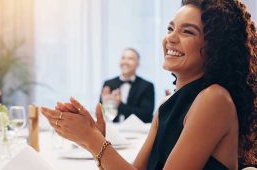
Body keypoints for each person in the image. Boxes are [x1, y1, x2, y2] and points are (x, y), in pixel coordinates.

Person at [42, 0, 257, 169]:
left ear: (215, 48)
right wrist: (91, 138)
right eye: (170, 28)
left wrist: (93, 140)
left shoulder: (214, 99)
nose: (170, 38)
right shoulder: (166, 105)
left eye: (187, 31)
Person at [100, 48, 155, 123]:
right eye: (123, 58)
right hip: (113, 129)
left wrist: (120, 105)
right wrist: (106, 105)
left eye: (130, 59)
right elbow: (105, 116)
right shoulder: (108, 84)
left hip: (138, 131)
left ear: (138, 63)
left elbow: (146, 115)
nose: (125, 62)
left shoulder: (147, 86)